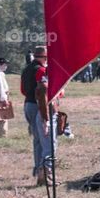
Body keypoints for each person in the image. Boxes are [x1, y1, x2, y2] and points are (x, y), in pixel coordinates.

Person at [33, 46, 58, 186]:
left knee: (49, 146)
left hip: (46, 114)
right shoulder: (44, 86)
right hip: (46, 115)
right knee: (50, 148)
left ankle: (45, 177)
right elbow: (43, 101)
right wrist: (46, 120)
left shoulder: (45, 83)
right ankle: (47, 177)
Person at [21, 50, 41, 171]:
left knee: (37, 138)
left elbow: (22, 90)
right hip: (36, 105)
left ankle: (38, 167)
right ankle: (40, 169)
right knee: (41, 139)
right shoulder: (40, 70)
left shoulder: (25, 70)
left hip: (28, 103)